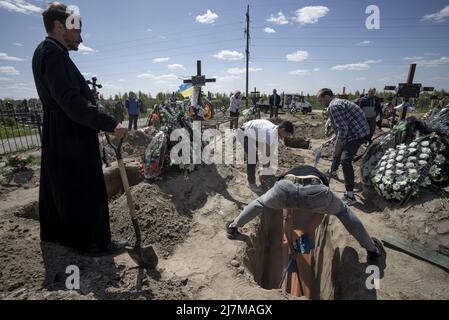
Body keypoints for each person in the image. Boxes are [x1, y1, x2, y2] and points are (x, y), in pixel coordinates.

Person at [32, 2, 128, 255]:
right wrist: (109, 122)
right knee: (84, 188)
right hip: (71, 134)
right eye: (77, 30)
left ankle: (68, 239)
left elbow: (67, 96)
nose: (81, 38)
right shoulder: (52, 54)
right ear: (58, 26)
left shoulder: (49, 52)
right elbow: (71, 103)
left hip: (62, 132)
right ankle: (93, 243)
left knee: (66, 187)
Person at [226, 165, 383, 262]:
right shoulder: (322, 181)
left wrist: (294, 245)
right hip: (316, 191)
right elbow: (320, 212)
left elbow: (287, 218)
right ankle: (372, 250)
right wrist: (306, 235)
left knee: (260, 203)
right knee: (343, 212)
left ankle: (233, 227)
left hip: (284, 188)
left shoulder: (288, 174)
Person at [316, 88, 370, 205]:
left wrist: (337, 148)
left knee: (345, 160)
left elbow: (343, 130)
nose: (320, 104)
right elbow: (343, 126)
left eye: (320, 101)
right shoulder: (338, 102)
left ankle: (350, 196)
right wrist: (332, 140)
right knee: (338, 149)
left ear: (326, 97)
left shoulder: (333, 107)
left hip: (357, 134)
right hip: (356, 131)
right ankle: (333, 171)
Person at [239, 119, 293, 192]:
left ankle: (262, 173)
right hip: (244, 133)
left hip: (254, 135)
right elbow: (267, 152)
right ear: (283, 130)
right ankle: (251, 183)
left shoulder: (276, 131)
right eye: (287, 134)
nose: (287, 136)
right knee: (253, 157)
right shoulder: (270, 133)